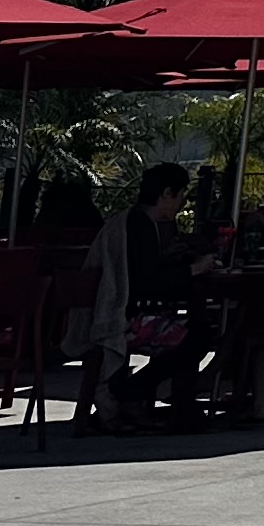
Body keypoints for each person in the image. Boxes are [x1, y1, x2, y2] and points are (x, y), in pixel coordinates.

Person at [88, 164, 204, 427]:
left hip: (114, 312)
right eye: (180, 194)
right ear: (166, 193)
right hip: (124, 320)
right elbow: (149, 283)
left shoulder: (133, 220)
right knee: (196, 337)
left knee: (194, 333)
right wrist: (194, 270)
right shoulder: (141, 226)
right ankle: (131, 394)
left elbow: (140, 271)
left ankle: (134, 396)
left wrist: (167, 259)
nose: (182, 202)